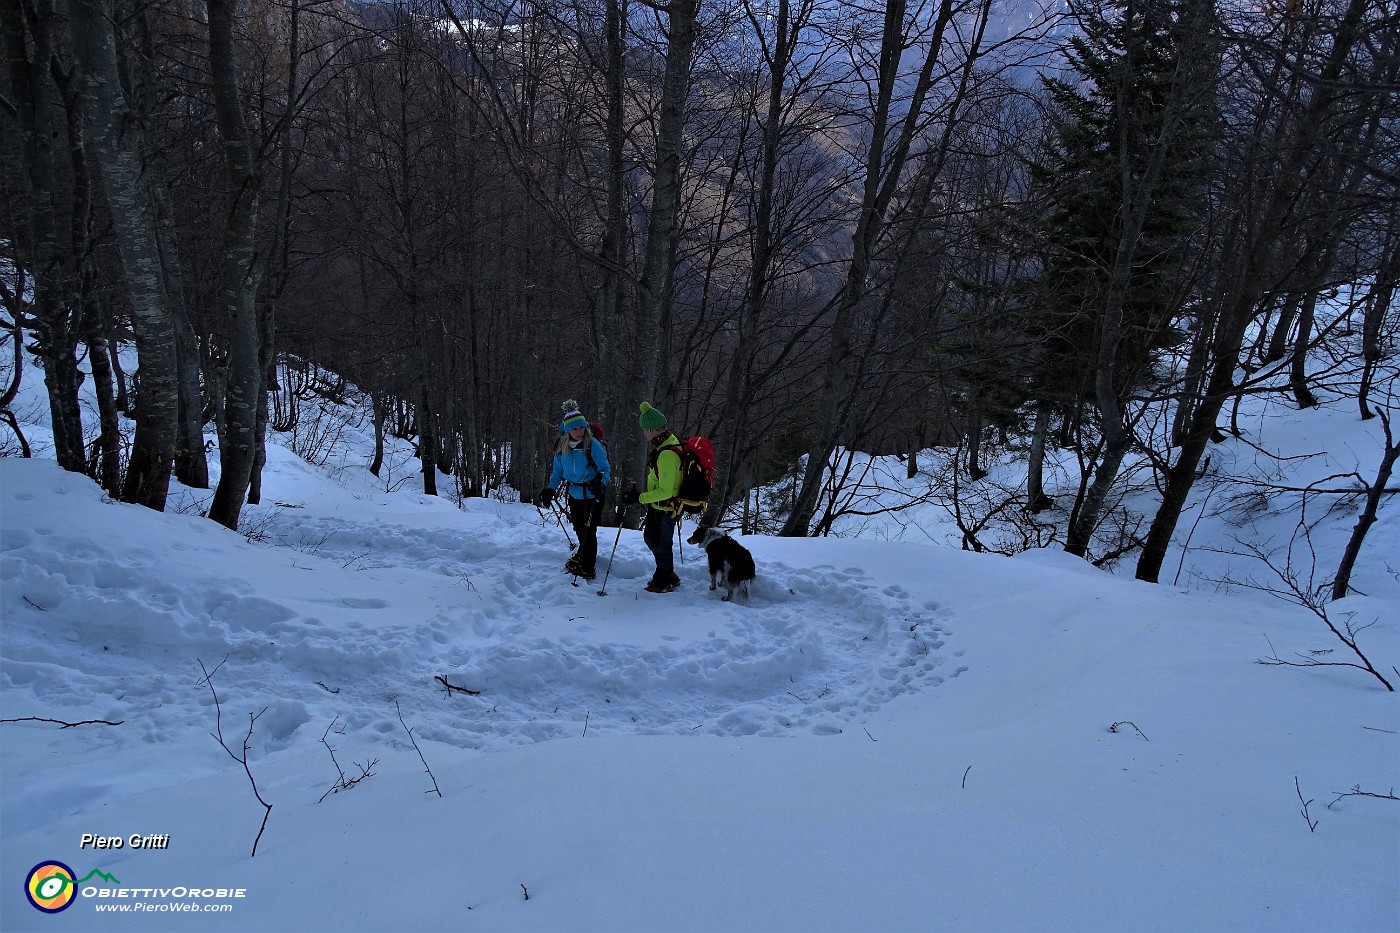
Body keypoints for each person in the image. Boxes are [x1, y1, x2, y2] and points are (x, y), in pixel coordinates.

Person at [539, 401, 610, 580]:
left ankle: (587, 566)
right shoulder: (562, 448)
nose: (579, 431)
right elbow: (558, 472)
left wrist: (601, 483)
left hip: (593, 494)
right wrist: (550, 489)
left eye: (581, 427)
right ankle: (584, 554)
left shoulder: (592, 444)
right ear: (567, 430)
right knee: (579, 528)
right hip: (574, 494)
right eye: (575, 428)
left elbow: (605, 468)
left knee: (589, 530)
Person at [623, 401, 682, 593]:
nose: (643, 434)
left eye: (644, 430)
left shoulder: (667, 454)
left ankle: (663, 578)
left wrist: (639, 498)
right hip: (660, 506)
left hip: (666, 507)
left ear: (650, 430)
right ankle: (667, 573)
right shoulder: (668, 442)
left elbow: (666, 491)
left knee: (660, 542)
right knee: (652, 539)